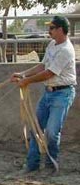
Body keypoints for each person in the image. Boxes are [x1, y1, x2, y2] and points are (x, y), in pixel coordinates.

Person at [10, 15, 77, 173]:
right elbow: (43, 66)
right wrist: (23, 74)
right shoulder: (52, 45)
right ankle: (32, 165)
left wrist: (27, 81)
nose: (49, 31)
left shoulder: (66, 50)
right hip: (49, 93)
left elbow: (49, 73)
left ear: (60, 30)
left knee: (52, 132)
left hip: (62, 93)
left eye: (52, 28)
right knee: (36, 128)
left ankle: (50, 164)